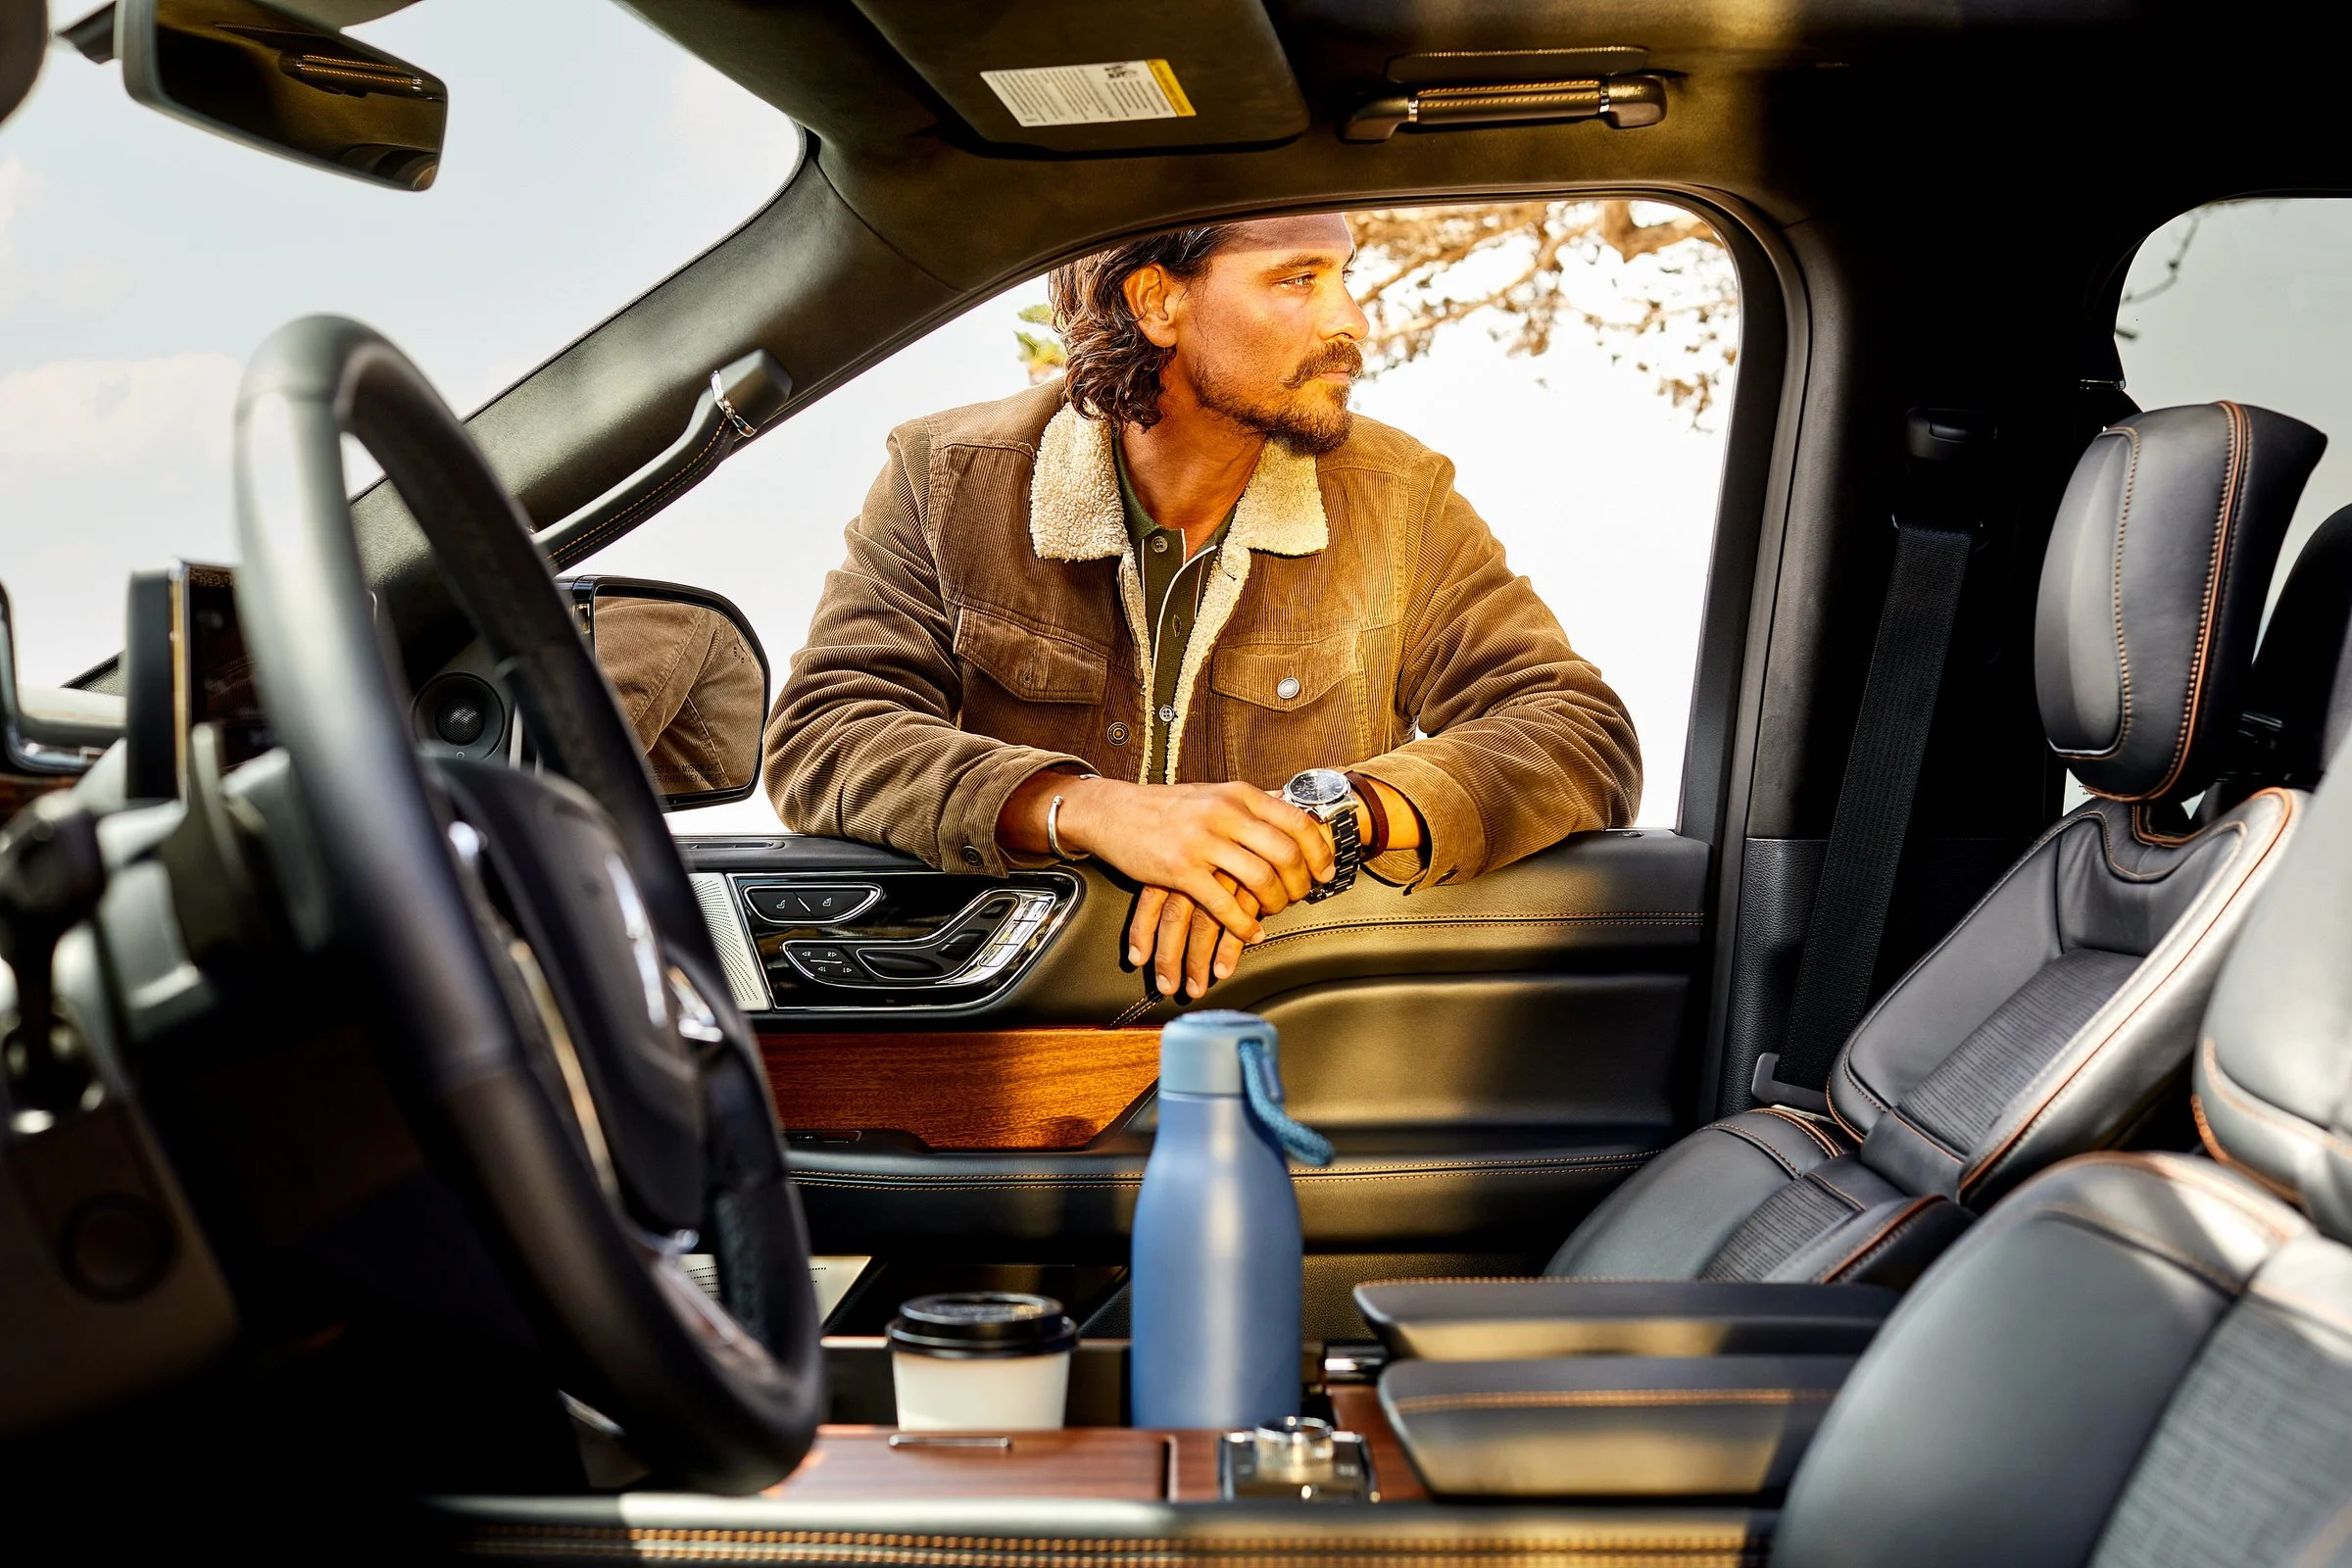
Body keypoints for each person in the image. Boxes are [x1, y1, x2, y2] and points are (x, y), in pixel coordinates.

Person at [765, 214, 1640, 1003]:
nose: (1352, 320)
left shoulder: (1401, 496)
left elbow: (1575, 727)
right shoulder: (945, 474)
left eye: (1344, 275)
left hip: (1289, 1024)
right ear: (1157, 302)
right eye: (1298, 279)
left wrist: (1319, 821)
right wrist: (1089, 809)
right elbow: (826, 731)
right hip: (1015, 1035)